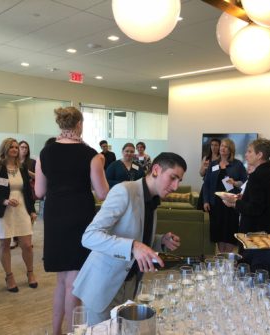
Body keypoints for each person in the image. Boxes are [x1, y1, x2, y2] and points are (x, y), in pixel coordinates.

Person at [73, 152, 187, 325]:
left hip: (130, 284)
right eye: (173, 178)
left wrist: (159, 241)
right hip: (103, 286)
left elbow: (135, 236)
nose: (176, 186)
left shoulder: (152, 200)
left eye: (179, 181)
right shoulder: (124, 191)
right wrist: (133, 246)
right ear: (156, 170)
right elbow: (89, 236)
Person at [35, 106, 109, 335]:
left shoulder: (44, 154)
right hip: (79, 215)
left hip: (55, 215)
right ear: (79, 124)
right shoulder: (92, 156)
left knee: (61, 281)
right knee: (74, 281)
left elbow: (39, 192)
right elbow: (103, 193)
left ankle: (57, 330)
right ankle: (71, 332)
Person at [0, 138, 38, 293]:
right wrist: (4, 201)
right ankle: (9, 276)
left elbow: (28, 192)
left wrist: (32, 210)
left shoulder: (21, 168)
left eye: (17, 147)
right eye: (12, 147)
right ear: (5, 149)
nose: (15, 149)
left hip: (22, 209)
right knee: (5, 244)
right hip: (4, 210)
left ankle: (30, 272)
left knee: (27, 245)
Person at [223, 138, 270, 235]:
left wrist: (235, 203)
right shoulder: (269, 171)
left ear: (259, 155)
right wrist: (244, 197)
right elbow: (262, 199)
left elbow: (255, 208)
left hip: (256, 231)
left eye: (249, 151)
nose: (246, 155)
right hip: (268, 227)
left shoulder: (257, 175)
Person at [203, 138, 247, 252]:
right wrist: (206, 201)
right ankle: (222, 255)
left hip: (230, 203)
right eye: (222, 146)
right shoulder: (213, 164)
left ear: (231, 149)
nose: (222, 148)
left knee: (229, 230)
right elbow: (207, 184)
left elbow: (245, 181)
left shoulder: (237, 164)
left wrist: (235, 182)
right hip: (215, 203)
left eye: (226, 146)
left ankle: (228, 256)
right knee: (218, 231)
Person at [197, 138, 221, 210]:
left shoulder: (221, 158)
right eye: (212, 145)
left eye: (216, 145)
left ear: (220, 146)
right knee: (202, 208)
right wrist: (205, 168)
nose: (213, 147)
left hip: (217, 187)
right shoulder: (206, 158)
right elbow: (201, 174)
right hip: (206, 186)